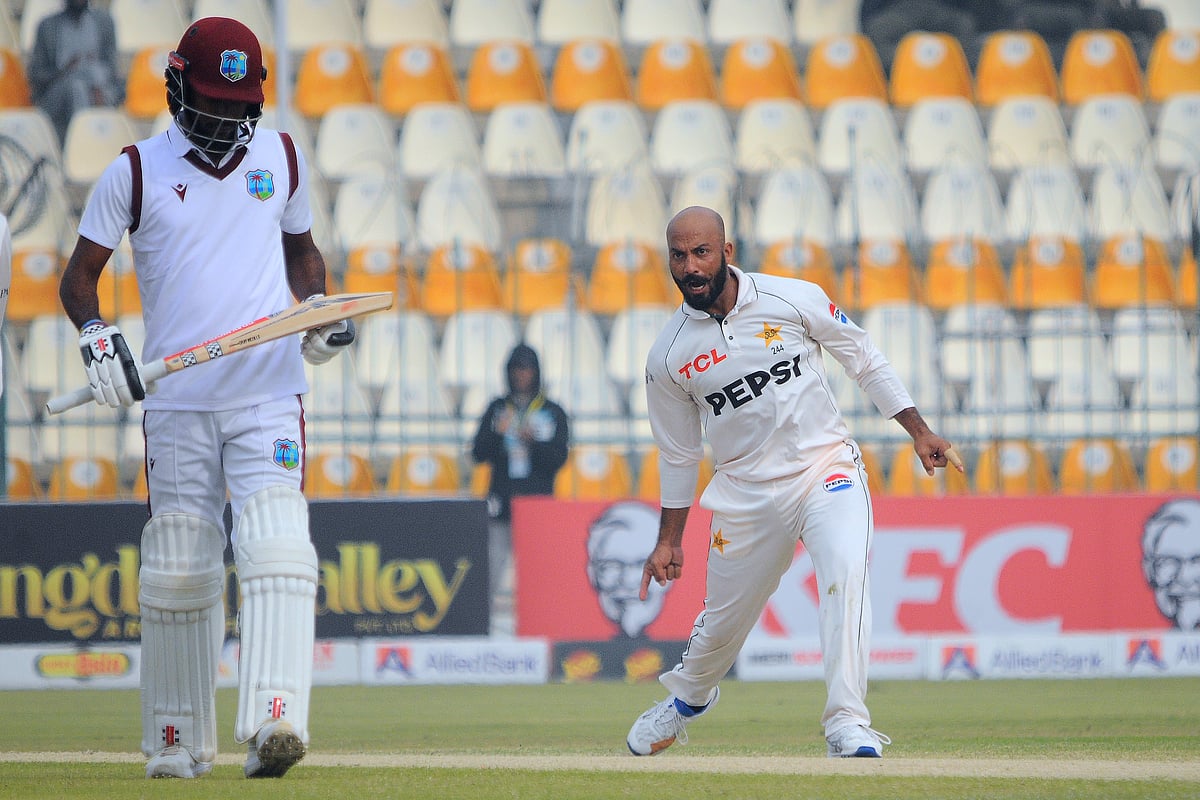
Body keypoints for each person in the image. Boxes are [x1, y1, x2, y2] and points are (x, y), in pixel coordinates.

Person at [57, 17, 355, 780]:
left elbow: (304, 257)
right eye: (211, 101)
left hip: (266, 390)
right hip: (179, 399)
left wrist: (318, 316)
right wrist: (99, 341)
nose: (224, 118)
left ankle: (275, 722)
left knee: (279, 545)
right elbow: (78, 279)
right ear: (176, 85)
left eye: (236, 102)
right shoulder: (134, 169)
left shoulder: (282, 154)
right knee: (181, 567)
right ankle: (176, 738)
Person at [625, 206, 962, 759]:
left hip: (824, 469)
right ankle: (688, 697)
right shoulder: (668, 356)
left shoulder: (791, 298)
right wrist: (668, 539)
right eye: (678, 256)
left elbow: (863, 357)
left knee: (846, 573)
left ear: (727, 252)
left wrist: (918, 430)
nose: (690, 266)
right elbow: (680, 454)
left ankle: (847, 723)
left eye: (701, 252)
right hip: (746, 497)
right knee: (721, 626)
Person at [471, 343, 569, 627]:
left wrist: (532, 442)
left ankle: (543, 627)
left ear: (536, 372)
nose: (520, 376)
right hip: (501, 504)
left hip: (537, 506)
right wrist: (498, 435)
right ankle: (482, 628)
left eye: (525, 369)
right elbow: (478, 452)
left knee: (540, 576)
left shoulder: (552, 411)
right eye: (515, 370)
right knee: (491, 570)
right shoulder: (497, 408)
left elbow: (558, 458)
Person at [26, 0, 123, 145]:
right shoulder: (47, 27)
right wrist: (64, 71)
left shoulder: (104, 22)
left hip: (98, 86)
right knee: (75, 87)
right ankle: (83, 142)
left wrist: (96, 83)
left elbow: (112, 69)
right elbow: (36, 74)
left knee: (97, 85)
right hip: (58, 92)